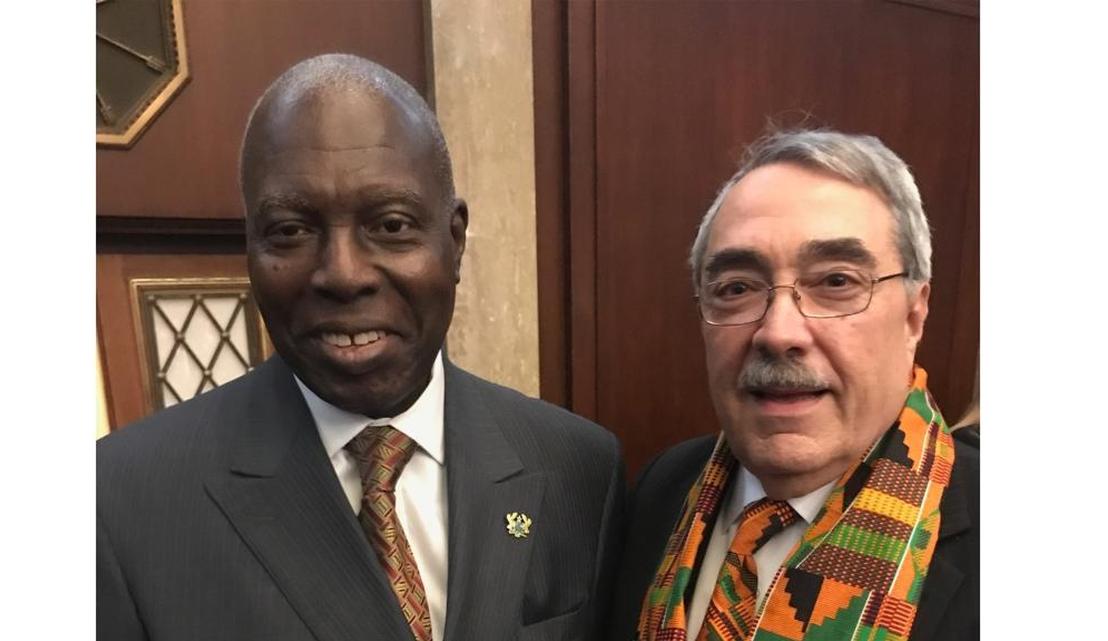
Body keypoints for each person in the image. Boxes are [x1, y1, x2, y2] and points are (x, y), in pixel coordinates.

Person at [97, 54, 623, 641]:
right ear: (249, 250)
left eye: (392, 224)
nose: (343, 275)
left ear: (453, 242)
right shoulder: (116, 502)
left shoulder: (580, 467)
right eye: (292, 230)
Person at [610, 130, 978, 641]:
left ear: (915, 314)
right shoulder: (663, 487)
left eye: (836, 282)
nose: (779, 333)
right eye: (737, 289)